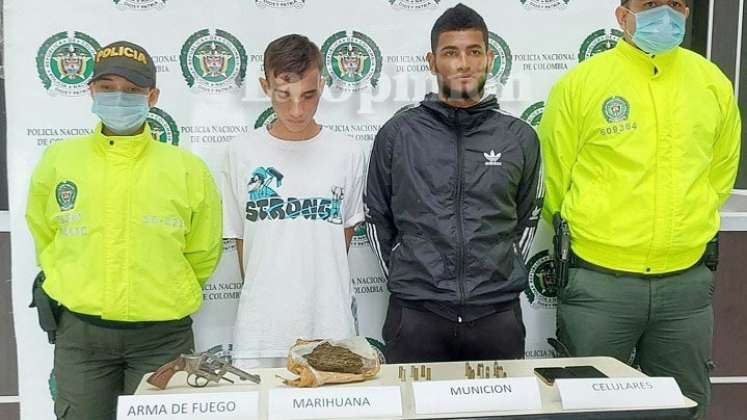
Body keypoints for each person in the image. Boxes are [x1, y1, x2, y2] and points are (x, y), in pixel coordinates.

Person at [539, 1, 741, 418]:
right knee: (584, 408)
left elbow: (720, 175)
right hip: (598, 285)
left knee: (685, 407)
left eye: (677, 5)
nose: (665, 16)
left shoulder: (712, 84)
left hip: (684, 289)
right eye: (650, 5)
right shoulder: (581, 84)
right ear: (622, 16)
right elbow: (553, 183)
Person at [25, 40, 223, 420]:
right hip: (82, 340)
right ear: (91, 92)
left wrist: (163, 291)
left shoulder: (187, 169)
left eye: (132, 91)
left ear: (153, 96)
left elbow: (202, 252)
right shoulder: (59, 161)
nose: (119, 98)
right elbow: (44, 234)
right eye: (108, 88)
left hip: (162, 339)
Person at [365, 3, 543, 363]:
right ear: (432, 62)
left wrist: (498, 271)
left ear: (489, 58)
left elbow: (528, 215)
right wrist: (409, 277)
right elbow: (376, 215)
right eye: (451, 53)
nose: (464, 63)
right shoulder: (398, 134)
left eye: (474, 51)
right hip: (416, 316)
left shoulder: (518, 136)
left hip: (496, 315)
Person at [221, 34, 366, 369]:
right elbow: (242, 239)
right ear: (264, 86)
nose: (297, 110)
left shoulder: (346, 153)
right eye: (283, 95)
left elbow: (343, 235)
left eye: (309, 95)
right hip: (260, 332)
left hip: (330, 328)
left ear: (322, 85)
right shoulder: (241, 152)